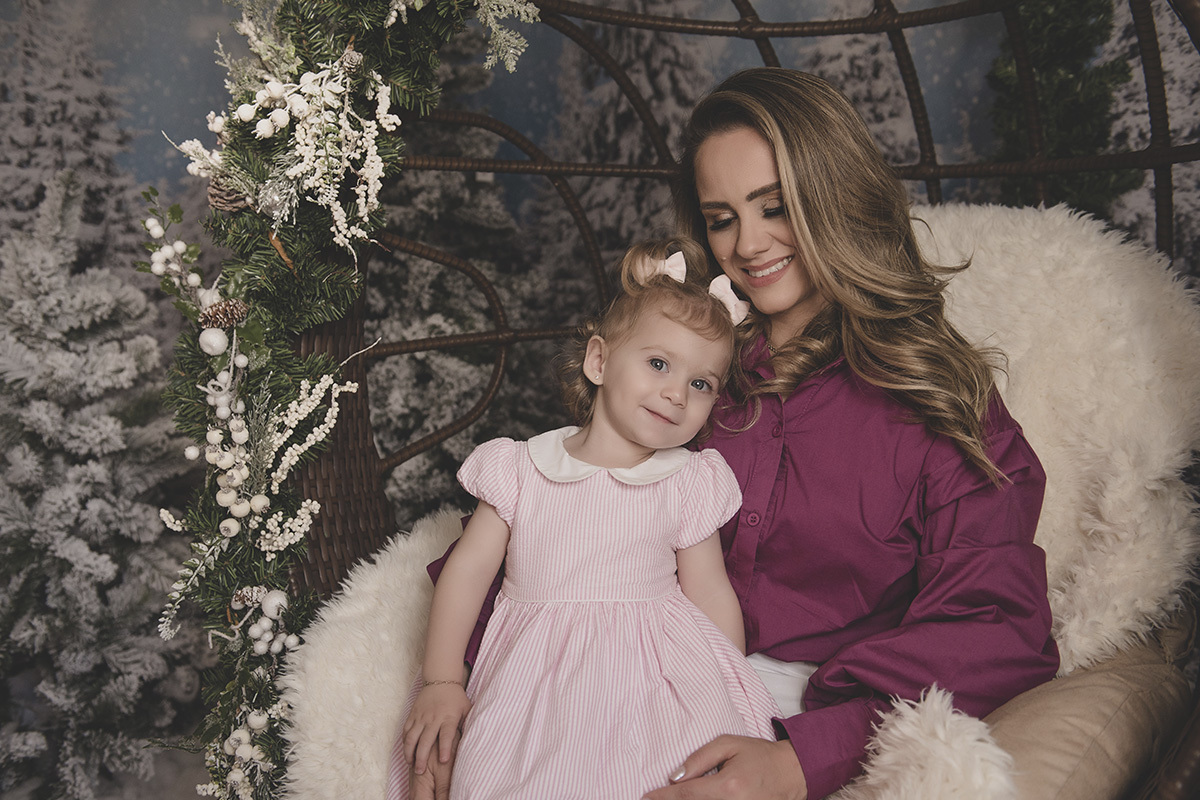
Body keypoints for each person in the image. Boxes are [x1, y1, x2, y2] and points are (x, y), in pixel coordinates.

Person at [412, 68, 1060, 800]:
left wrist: (800, 761)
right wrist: (469, 686)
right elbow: (554, 524)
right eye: (722, 218)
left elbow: (994, 628)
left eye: (774, 207)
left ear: (836, 196)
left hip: (817, 718)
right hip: (621, 695)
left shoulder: (939, 401)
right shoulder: (679, 366)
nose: (748, 245)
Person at [386, 238, 780, 800]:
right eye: (658, 364)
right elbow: (467, 573)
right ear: (599, 361)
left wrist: (727, 682)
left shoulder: (688, 480)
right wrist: (443, 680)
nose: (676, 394)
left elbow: (711, 592)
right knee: (510, 779)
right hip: (535, 678)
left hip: (655, 677)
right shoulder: (523, 468)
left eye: (701, 384)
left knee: (674, 772)